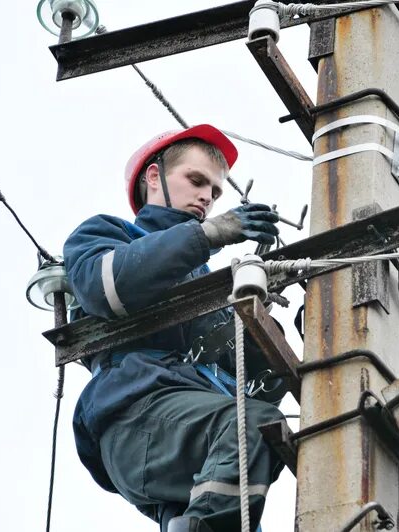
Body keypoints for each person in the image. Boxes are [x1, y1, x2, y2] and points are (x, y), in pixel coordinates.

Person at [64, 124, 287, 532]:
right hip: (138, 416)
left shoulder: (209, 286)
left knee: (260, 433)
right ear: (153, 178)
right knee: (251, 424)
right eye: (196, 181)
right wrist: (209, 235)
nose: (207, 197)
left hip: (196, 433)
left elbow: (265, 381)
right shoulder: (108, 235)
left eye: (216, 192)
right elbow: (109, 287)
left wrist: (266, 312)